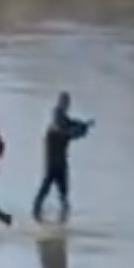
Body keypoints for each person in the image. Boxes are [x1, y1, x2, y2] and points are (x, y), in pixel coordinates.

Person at [32, 91, 92, 224]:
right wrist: (78, 131)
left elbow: (72, 125)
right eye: (65, 104)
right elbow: (65, 132)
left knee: (63, 194)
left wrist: (84, 126)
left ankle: (61, 219)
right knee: (47, 190)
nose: (66, 106)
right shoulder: (55, 126)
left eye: (67, 104)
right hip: (53, 164)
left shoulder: (63, 121)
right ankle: (37, 215)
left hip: (61, 163)